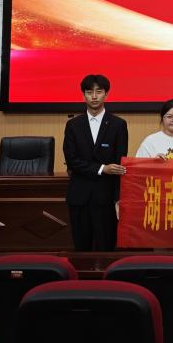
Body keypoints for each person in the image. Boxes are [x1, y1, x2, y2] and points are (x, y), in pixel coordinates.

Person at [63, 74, 128, 251]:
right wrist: (102, 168)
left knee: (106, 247)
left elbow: (119, 163)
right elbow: (72, 160)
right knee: (81, 248)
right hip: (80, 196)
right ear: (83, 95)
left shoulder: (118, 124)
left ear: (106, 94)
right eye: (89, 92)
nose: (94, 96)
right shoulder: (73, 125)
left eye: (99, 92)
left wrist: (118, 199)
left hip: (105, 197)